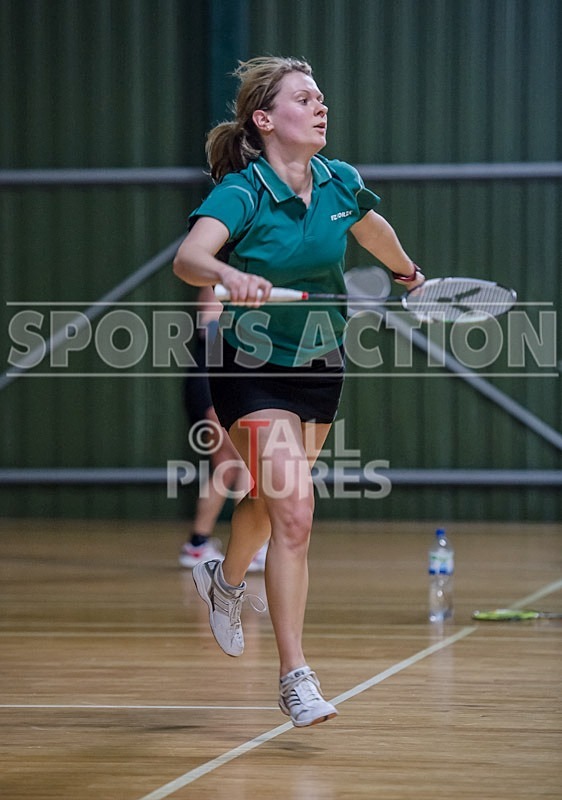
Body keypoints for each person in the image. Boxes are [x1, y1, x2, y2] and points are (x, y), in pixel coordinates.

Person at [173, 56, 425, 727]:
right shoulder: (244, 192)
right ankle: (295, 677)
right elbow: (189, 257)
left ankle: (225, 581)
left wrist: (407, 274)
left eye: (322, 99)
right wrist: (230, 273)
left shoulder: (341, 181)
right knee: (297, 513)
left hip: (320, 361)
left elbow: (370, 229)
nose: (321, 107)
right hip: (248, 364)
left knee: (268, 502)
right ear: (265, 118)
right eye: (305, 99)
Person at [179, 285, 268, 572]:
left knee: (228, 463)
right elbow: (213, 329)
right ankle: (249, 548)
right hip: (209, 383)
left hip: (219, 382)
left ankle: (198, 544)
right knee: (240, 460)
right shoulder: (216, 285)